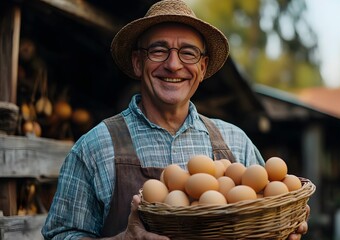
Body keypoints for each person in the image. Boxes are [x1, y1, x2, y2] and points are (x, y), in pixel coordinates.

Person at [42, 0, 309, 239]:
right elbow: (60, 236)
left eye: (188, 53)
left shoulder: (236, 143)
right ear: (137, 62)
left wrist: (284, 232)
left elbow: (268, 211)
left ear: (202, 68)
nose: (173, 64)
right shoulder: (94, 148)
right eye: (158, 50)